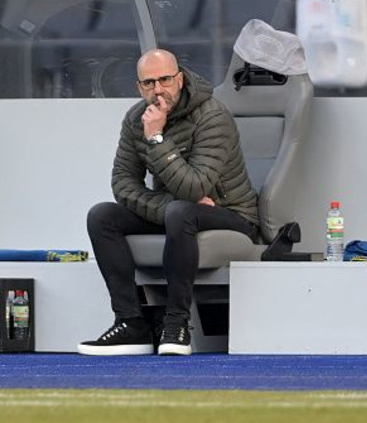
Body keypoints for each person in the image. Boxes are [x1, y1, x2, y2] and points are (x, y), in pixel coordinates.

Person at [78, 49, 259, 356]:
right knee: (102, 216)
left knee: (180, 212)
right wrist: (165, 207)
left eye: (165, 80)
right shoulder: (136, 119)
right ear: (139, 87)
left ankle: (176, 324)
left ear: (180, 79)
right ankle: (131, 323)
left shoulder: (213, 115)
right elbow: (123, 184)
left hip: (232, 215)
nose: (158, 89)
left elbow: (196, 186)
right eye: (149, 83)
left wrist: (157, 138)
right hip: (180, 212)